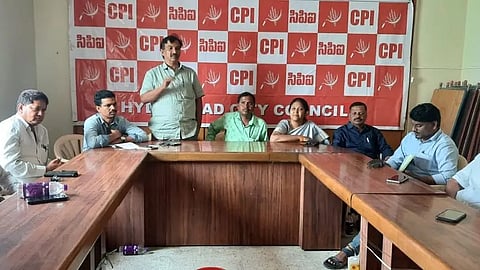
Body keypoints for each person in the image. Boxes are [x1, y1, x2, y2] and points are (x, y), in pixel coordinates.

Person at [324, 101, 394, 269]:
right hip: (348, 171)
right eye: (354, 113)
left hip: (372, 172)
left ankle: (360, 222)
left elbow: (387, 151)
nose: (358, 116)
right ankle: (352, 220)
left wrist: (387, 160)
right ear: (349, 115)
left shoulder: (374, 132)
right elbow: (335, 153)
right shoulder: (341, 132)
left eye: (361, 113)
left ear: (366, 115)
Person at [140, 35, 204, 141]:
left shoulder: (190, 73)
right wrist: (162, 87)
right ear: (162, 52)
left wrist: (197, 129)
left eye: (177, 48)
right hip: (161, 133)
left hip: (188, 133)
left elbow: (198, 102)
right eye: (170, 48)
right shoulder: (152, 74)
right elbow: (144, 98)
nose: (174, 52)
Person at [0, 89, 62, 188]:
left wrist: (54, 165)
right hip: (20, 185)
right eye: (36, 109)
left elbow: (39, 159)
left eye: (43, 110)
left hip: (43, 180)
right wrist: (45, 169)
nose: (40, 114)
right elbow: (11, 166)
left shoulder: (42, 130)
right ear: (20, 108)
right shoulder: (10, 128)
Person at [386, 103, 458, 185]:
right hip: (404, 182)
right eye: (413, 125)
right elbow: (396, 160)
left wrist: (417, 179)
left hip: (427, 187)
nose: (413, 129)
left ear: (434, 125)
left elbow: (448, 177)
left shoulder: (445, 145)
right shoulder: (410, 137)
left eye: (419, 126)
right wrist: (386, 166)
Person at [83, 89, 148, 150]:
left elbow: (144, 135)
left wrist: (123, 139)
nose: (113, 108)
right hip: (91, 158)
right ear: (98, 108)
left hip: (110, 155)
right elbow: (92, 143)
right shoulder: (91, 122)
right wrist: (114, 136)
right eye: (108, 105)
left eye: (114, 104)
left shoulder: (120, 121)